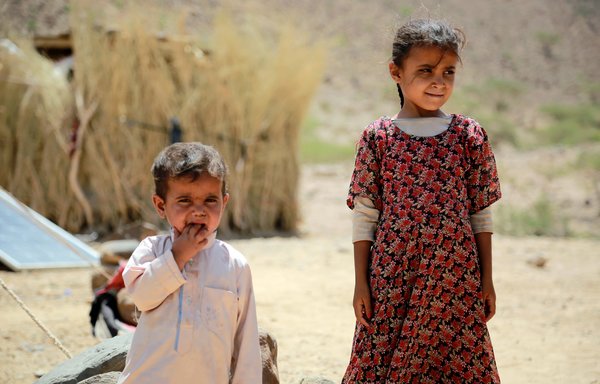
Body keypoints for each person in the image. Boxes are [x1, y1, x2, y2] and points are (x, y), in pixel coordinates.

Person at [343, 18, 502, 383]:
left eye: (448, 72)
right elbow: (366, 215)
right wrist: (360, 282)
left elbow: (480, 213)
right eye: (426, 70)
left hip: (456, 275)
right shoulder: (378, 137)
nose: (439, 82)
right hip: (393, 275)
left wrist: (487, 279)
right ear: (395, 72)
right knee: (383, 357)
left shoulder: (468, 135)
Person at [118, 142, 262, 384]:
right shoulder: (151, 250)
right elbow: (142, 297)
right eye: (185, 200)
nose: (199, 211)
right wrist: (177, 255)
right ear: (161, 205)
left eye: (210, 200)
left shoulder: (235, 265)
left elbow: (246, 344)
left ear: (224, 203)